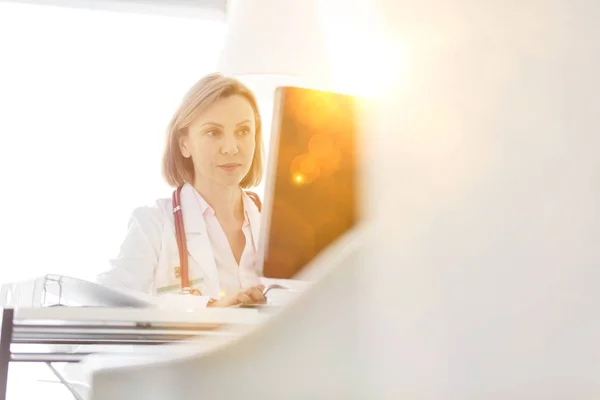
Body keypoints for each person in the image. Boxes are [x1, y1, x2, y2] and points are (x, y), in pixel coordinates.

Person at [97, 73, 267, 307]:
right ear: (184, 143)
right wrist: (208, 308)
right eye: (213, 132)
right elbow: (107, 301)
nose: (231, 148)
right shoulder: (153, 226)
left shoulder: (281, 227)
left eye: (243, 131)